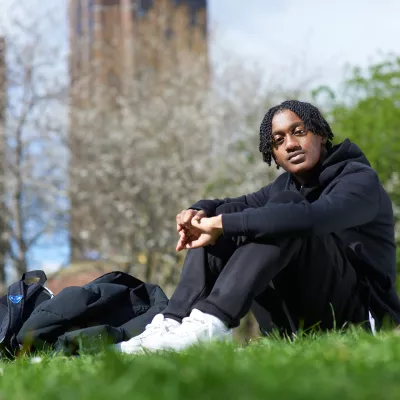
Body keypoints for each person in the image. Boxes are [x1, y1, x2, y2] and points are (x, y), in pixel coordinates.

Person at [116, 100, 400, 354]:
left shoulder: (359, 180)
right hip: (292, 325)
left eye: (298, 132)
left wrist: (224, 224)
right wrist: (197, 212)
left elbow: (313, 218)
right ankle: (172, 322)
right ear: (273, 155)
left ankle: (211, 322)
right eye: (278, 140)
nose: (290, 144)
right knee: (235, 214)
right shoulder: (284, 187)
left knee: (283, 214)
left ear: (321, 133)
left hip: (358, 317)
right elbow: (227, 205)